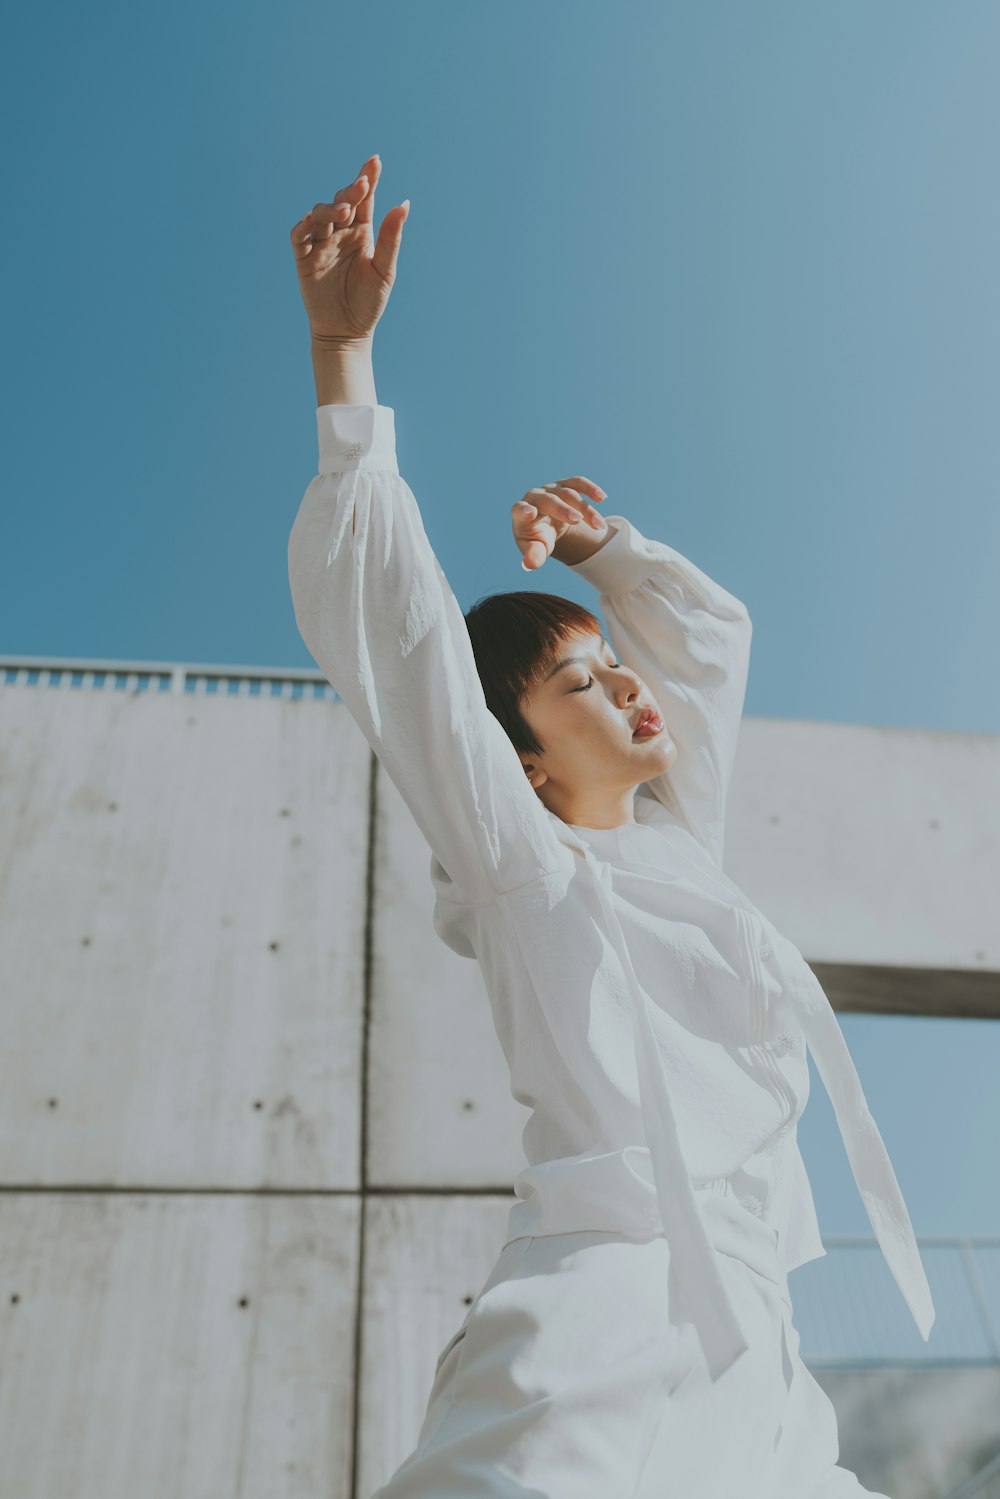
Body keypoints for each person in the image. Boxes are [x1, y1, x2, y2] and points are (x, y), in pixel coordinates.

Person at [286, 154, 934, 1499]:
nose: (628, 682)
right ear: (518, 763)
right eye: (580, 680)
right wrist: (343, 363)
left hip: (762, 1344)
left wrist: (601, 552)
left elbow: (707, 640)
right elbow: (397, 634)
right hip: (609, 1307)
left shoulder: (681, 848)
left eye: (611, 664)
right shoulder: (529, 863)